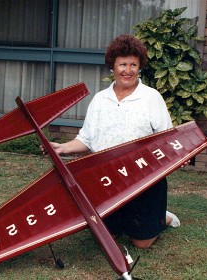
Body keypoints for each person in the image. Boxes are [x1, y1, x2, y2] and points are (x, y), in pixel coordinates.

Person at [48, 34, 180, 249]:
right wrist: (62, 148)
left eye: (133, 65)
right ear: (113, 66)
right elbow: (87, 139)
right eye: (122, 64)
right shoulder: (100, 99)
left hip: (143, 181)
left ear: (140, 67)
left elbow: (166, 140)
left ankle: (160, 218)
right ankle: (129, 218)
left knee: (141, 243)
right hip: (107, 180)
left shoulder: (151, 97)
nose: (127, 70)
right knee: (107, 233)